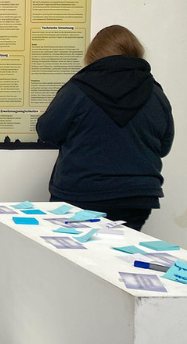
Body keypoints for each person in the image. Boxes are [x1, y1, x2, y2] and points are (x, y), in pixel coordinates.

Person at [36, 25, 174, 231]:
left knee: (74, 250)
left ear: (94, 54)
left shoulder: (78, 88)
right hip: (137, 197)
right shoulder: (155, 93)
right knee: (119, 249)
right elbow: (164, 146)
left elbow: (47, 131)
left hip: (81, 191)